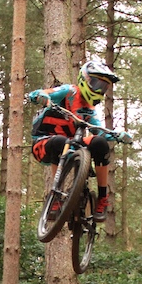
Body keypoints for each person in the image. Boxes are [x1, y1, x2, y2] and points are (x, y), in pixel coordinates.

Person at [27, 59, 126, 222]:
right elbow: (43, 92)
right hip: (43, 142)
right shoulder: (69, 92)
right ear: (85, 80)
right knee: (60, 142)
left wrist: (117, 135)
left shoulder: (90, 111)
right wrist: (40, 96)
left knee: (100, 144)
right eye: (97, 84)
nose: (99, 90)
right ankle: (55, 198)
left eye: (103, 87)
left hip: (71, 145)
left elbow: (99, 131)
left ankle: (102, 198)